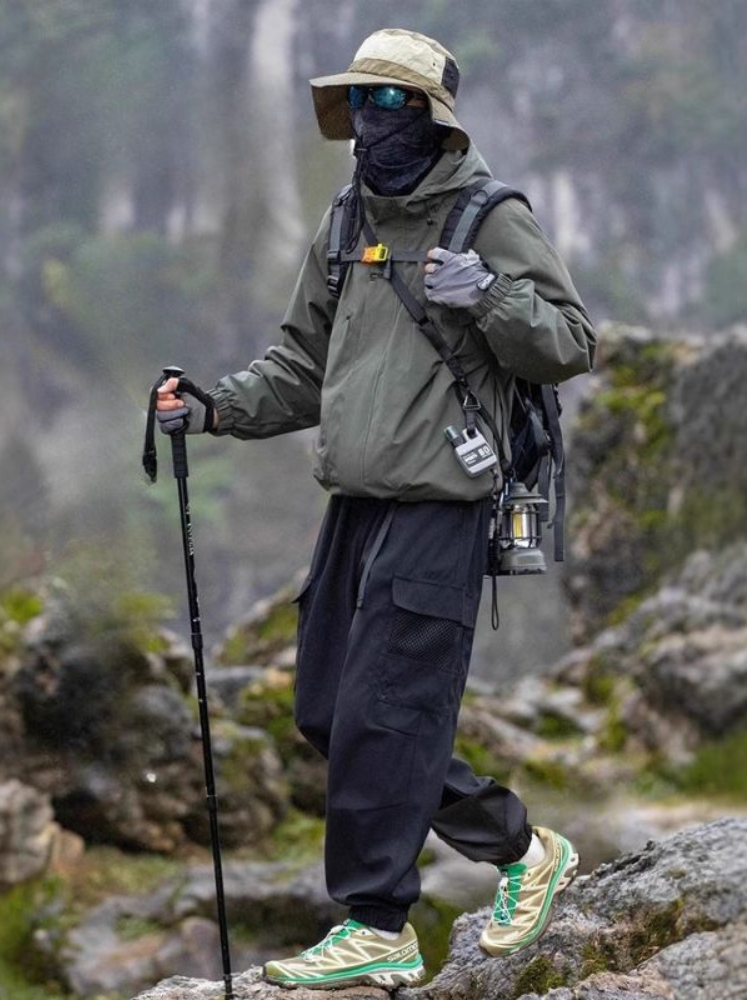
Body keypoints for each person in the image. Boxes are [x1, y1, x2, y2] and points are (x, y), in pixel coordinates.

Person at [157, 27, 595, 990]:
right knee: (328, 711)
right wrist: (217, 408)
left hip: (443, 507)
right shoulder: (348, 218)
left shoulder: (488, 216)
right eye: (359, 99)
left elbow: (570, 341)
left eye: (389, 100)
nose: (369, 117)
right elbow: (301, 362)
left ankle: (377, 923)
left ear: (432, 115)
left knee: (386, 712)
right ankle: (525, 852)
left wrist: (489, 296)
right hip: (354, 504)